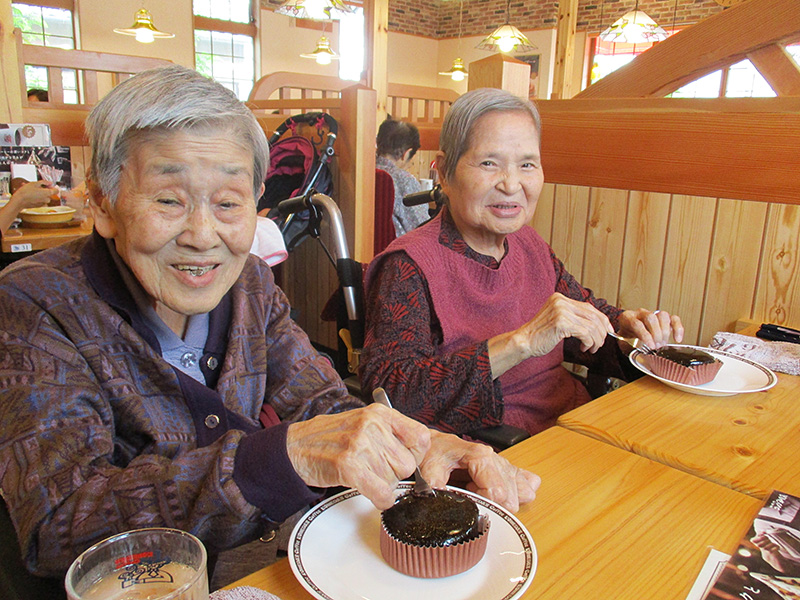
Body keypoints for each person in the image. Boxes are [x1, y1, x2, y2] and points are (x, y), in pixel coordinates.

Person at [0, 67, 539, 592]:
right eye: (169, 200)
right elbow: (56, 525)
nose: (202, 234)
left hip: (256, 575)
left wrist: (425, 444)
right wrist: (280, 457)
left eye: (229, 203)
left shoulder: (250, 284)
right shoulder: (35, 302)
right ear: (103, 203)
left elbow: (323, 402)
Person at [361, 88, 684, 437]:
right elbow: (392, 392)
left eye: (527, 164)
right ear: (443, 172)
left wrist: (630, 333)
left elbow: (581, 319)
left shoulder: (529, 244)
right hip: (497, 451)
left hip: (576, 422)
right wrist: (521, 342)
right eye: (489, 163)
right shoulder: (409, 265)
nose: (512, 184)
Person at [376, 117, 429, 237]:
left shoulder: (365, 171)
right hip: (398, 251)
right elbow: (421, 228)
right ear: (406, 154)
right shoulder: (403, 180)